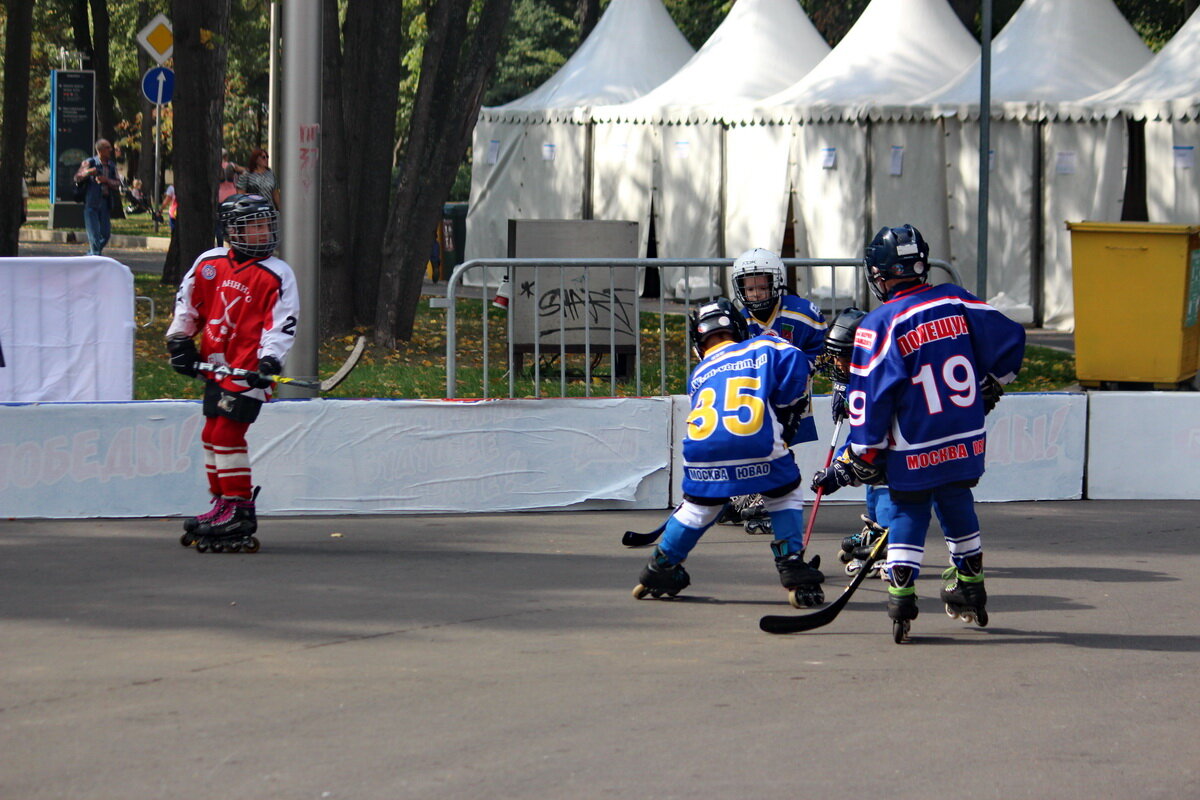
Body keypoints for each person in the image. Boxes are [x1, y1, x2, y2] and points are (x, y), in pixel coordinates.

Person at [811, 224, 1025, 643]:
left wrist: (858, 457)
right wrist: (995, 382)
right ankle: (970, 584)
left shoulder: (880, 324)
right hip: (964, 437)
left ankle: (901, 596)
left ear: (880, 274)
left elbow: (872, 397)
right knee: (957, 499)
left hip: (914, 443)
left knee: (908, 509)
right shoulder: (957, 300)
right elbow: (1011, 337)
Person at [632, 297, 825, 608]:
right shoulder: (763, 346)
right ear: (738, 328)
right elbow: (797, 360)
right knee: (784, 493)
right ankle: (790, 562)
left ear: (698, 341)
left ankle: (661, 565)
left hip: (699, 449)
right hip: (753, 440)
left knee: (699, 509)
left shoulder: (699, 373)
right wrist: (788, 407)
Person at [166, 194, 299, 553]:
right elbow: (189, 303)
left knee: (227, 433)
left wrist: (269, 362)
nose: (263, 232)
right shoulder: (209, 262)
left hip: (246, 371)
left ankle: (239, 509)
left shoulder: (277, 273)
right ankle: (222, 504)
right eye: (253, 226)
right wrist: (180, 342)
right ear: (230, 230)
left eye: (266, 224)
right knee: (211, 433)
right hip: (217, 366)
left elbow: (281, 324)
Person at [721, 247, 828, 535]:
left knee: (777, 446)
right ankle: (747, 492)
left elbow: (822, 350)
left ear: (776, 282)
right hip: (754, 394)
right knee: (747, 444)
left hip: (791, 394)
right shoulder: (739, 319)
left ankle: (774, 502)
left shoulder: (803, 313)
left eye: (761, 286)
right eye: (749, 287)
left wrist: (801, 368)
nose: (755, 293)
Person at [75, 139, 121, 255]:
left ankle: (90, 255)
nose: (110, 150)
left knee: (105, 234)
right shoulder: (89, 162)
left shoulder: (111, 165)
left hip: (105, 203)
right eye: (108, 148)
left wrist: (107, 181)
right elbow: (77, 177)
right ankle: (95, 258)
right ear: (100, 150)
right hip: (91, 203)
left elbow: (118, 183)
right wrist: (88, 172)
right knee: (94, 235)